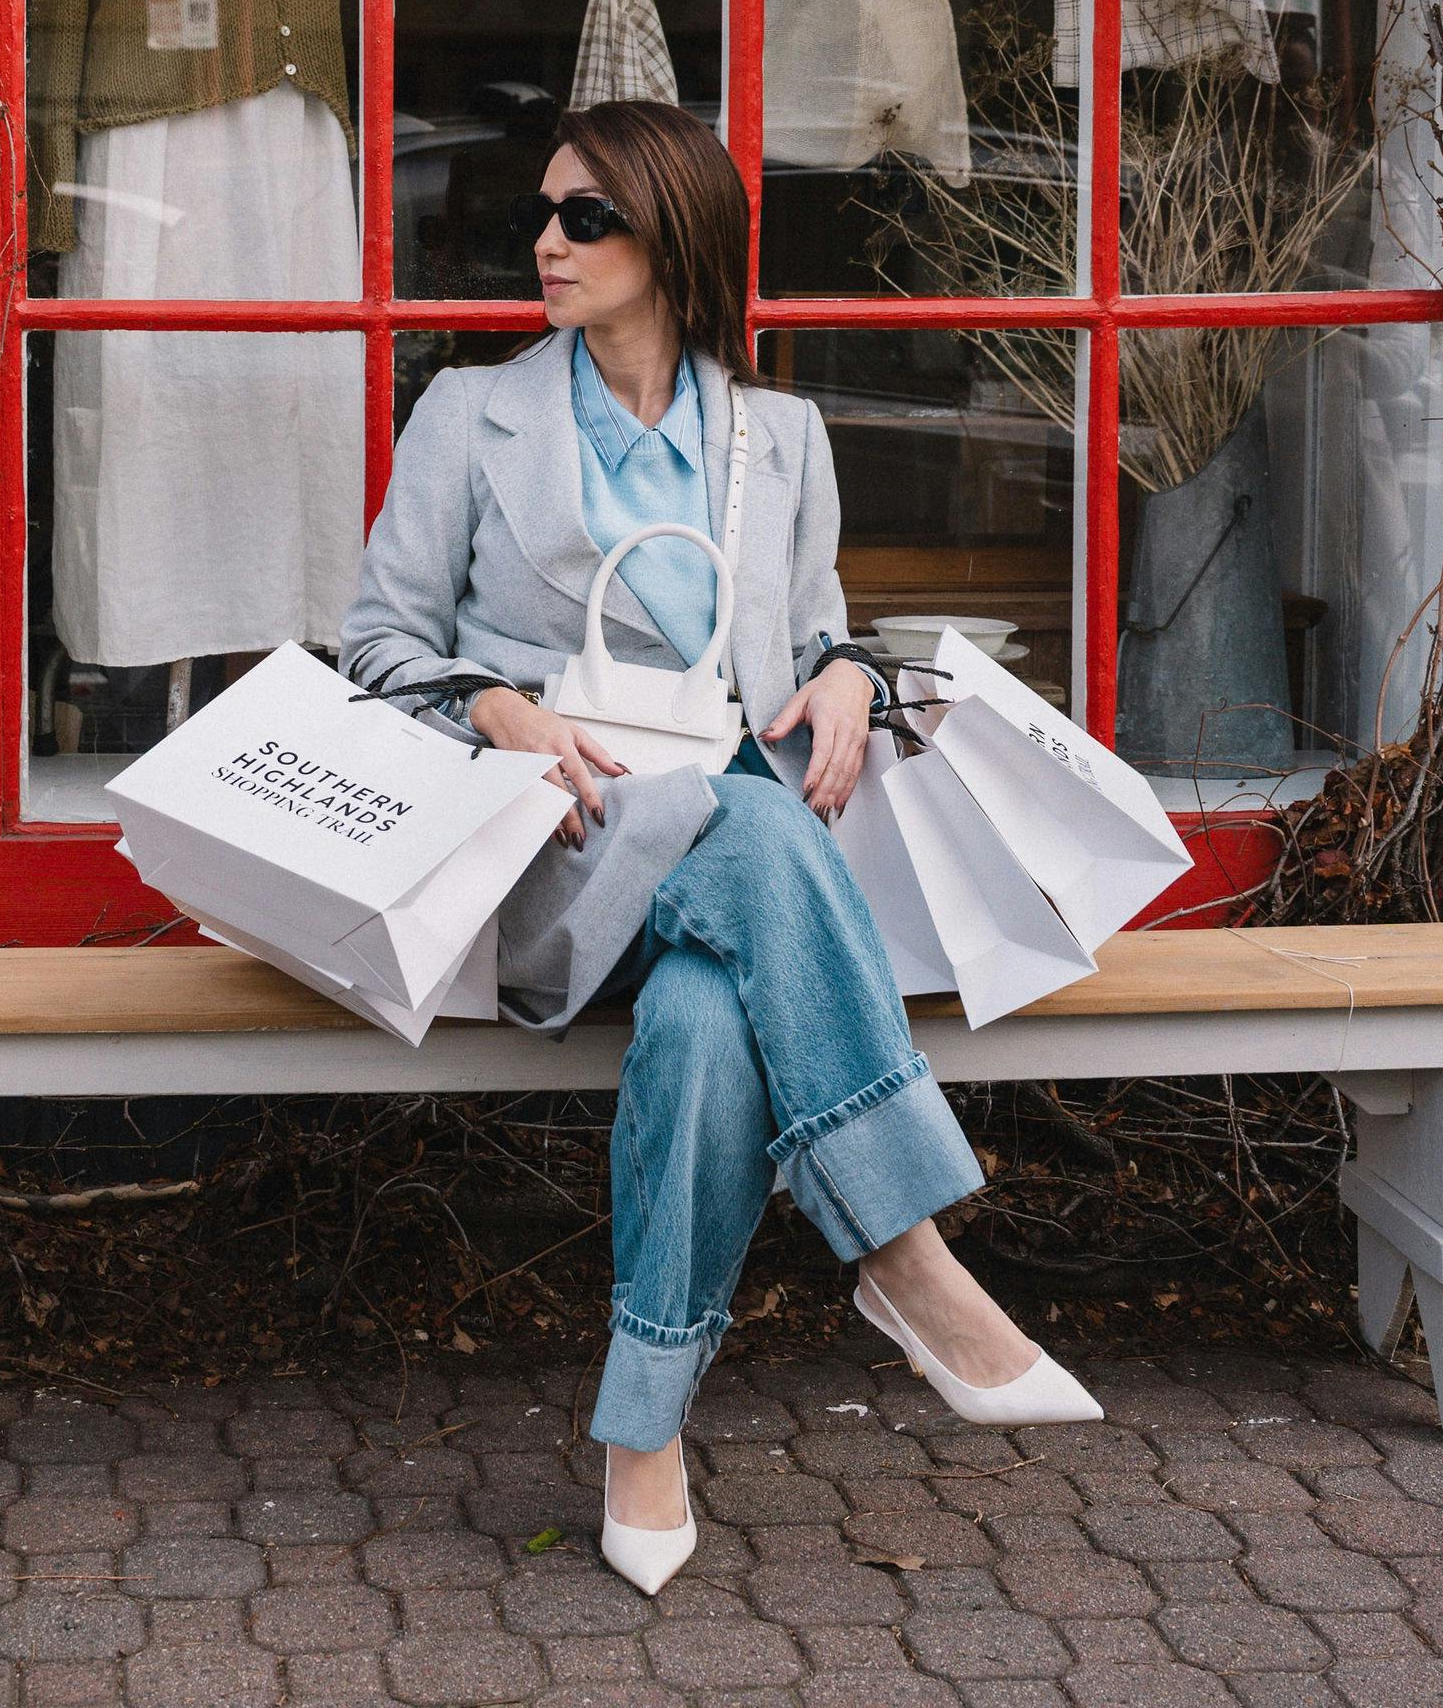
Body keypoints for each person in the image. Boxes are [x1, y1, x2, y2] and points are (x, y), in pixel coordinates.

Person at [340, 99, 1096, 1597]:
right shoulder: (468, 418)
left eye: (583, 219)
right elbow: (374, 651)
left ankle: (641, 1431)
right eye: (540, 218)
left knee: (703, 1020)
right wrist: (495, 706)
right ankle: (904, 1253)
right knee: (725, 817)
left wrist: (849, 676)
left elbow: (806, 637)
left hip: (731, 906)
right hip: (554, 869)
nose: (544, 244)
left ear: (671, 241)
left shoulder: (784, 438)